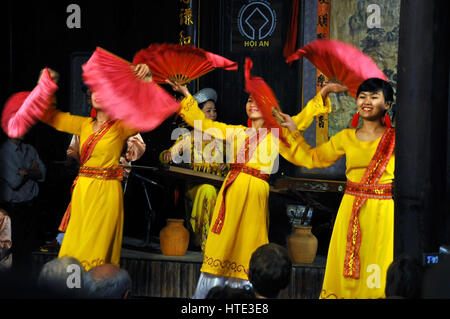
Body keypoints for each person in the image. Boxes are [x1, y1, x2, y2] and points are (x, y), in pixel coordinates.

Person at [165, 78, 333, 299]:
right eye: (249, 100)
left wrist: (324, 93)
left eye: (258, 101)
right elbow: (204, 124)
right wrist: (187, 95)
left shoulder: (276, 137)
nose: (252, 103)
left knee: (250, 246)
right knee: (222, 246)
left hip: (254, 197)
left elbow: (300, 121)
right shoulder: (237, 132)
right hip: (232, 194)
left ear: (270, 108)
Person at [280, 78, 395, 299]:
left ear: (387, 104)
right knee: (345, 266)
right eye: (362, 97)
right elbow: (312, 158)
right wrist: (294, 131)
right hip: (351, 210)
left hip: (383, 213)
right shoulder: (346, 137)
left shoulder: (397, 139)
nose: (366, 101)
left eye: (374, 96)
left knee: (377, 269)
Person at [39, 64, 151, 271]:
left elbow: (147, 114)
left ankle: (97, 288)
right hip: (83, 190)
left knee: (97, 250)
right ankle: (73, 290)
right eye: (92, 91)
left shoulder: (121, 126)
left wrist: (146, 82)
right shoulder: (83, 125)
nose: (94, 94)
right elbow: (50, 116)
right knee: (74, 248)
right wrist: (45, 87)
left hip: (107, 190)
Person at [159, 88, 228, 251]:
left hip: (218, 185)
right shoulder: (189, 137)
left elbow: (232, 162)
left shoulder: (220, 137)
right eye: (208, 110)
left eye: (214, 111)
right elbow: (167, 155)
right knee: (207, 191)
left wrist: (226, 166)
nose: (213, 114)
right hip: (196, 187)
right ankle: (206, 242)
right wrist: (167, 154)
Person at [0, 135, 46, 273]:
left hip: (31, 206)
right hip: (14, 210)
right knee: (16, 252)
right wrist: (31, 169)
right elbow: (15, 181)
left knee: (30, 250)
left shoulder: (30, 149)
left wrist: (24, 172)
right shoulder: (4, 151)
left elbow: (42, 174)